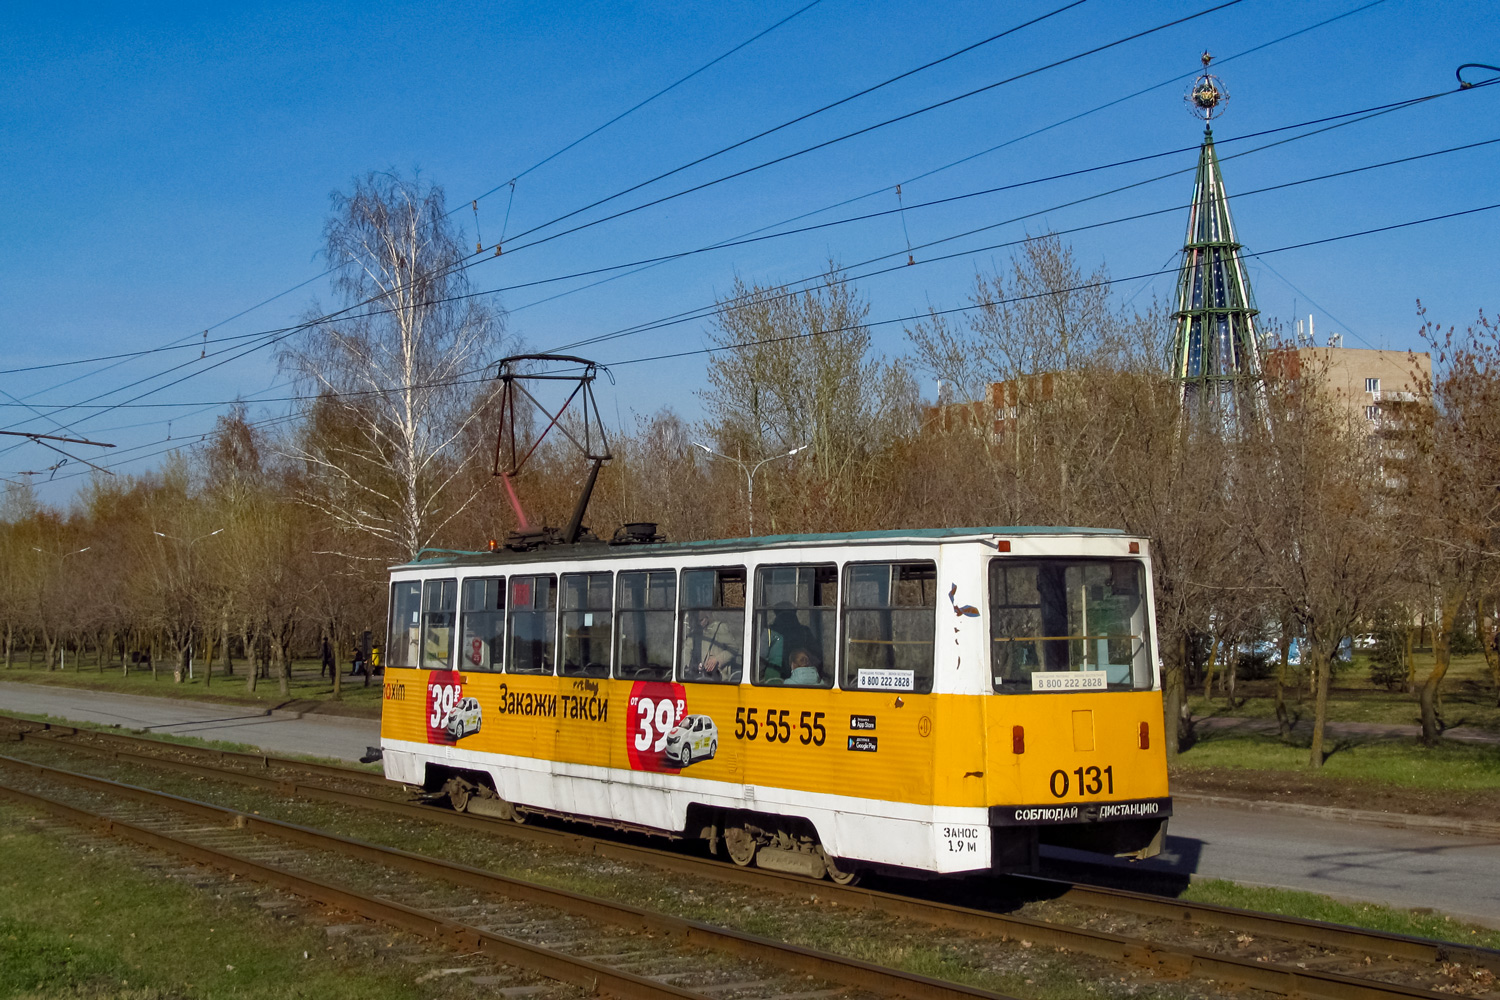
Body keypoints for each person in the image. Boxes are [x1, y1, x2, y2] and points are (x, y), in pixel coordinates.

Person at [685, 609, 740, 682]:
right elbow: (686, 650)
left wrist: (717, 659)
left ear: (707, 617)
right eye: (697, 621)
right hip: (698, 677)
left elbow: (734, 649)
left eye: (701, 620)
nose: (700, 623)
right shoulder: (695, 631)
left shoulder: (720, 628)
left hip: (717, 677)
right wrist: (691, 666)